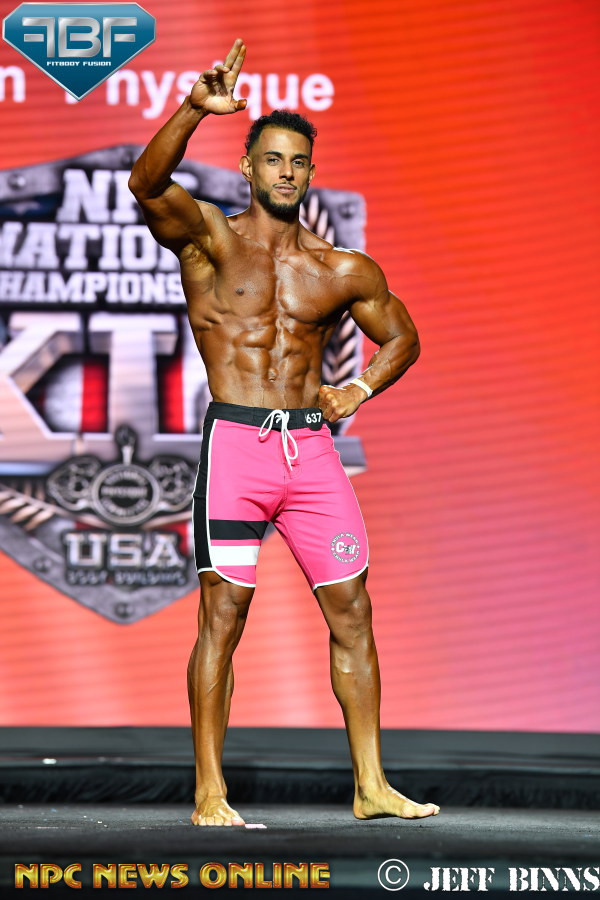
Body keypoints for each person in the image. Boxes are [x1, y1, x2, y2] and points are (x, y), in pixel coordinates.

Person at [128, 38, 440, 827]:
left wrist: (358, 387)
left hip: (311, 456)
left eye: (299, 162)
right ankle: (209, 792)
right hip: (237, 447)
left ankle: (371, 786)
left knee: (353, 610)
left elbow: (403, 337)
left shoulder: (339, 268)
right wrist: (194, 107)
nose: (287, 172)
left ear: (310, 171)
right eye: (273, 159)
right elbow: (146, 183)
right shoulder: (209, 238)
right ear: (248, 167)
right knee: (222, 616)